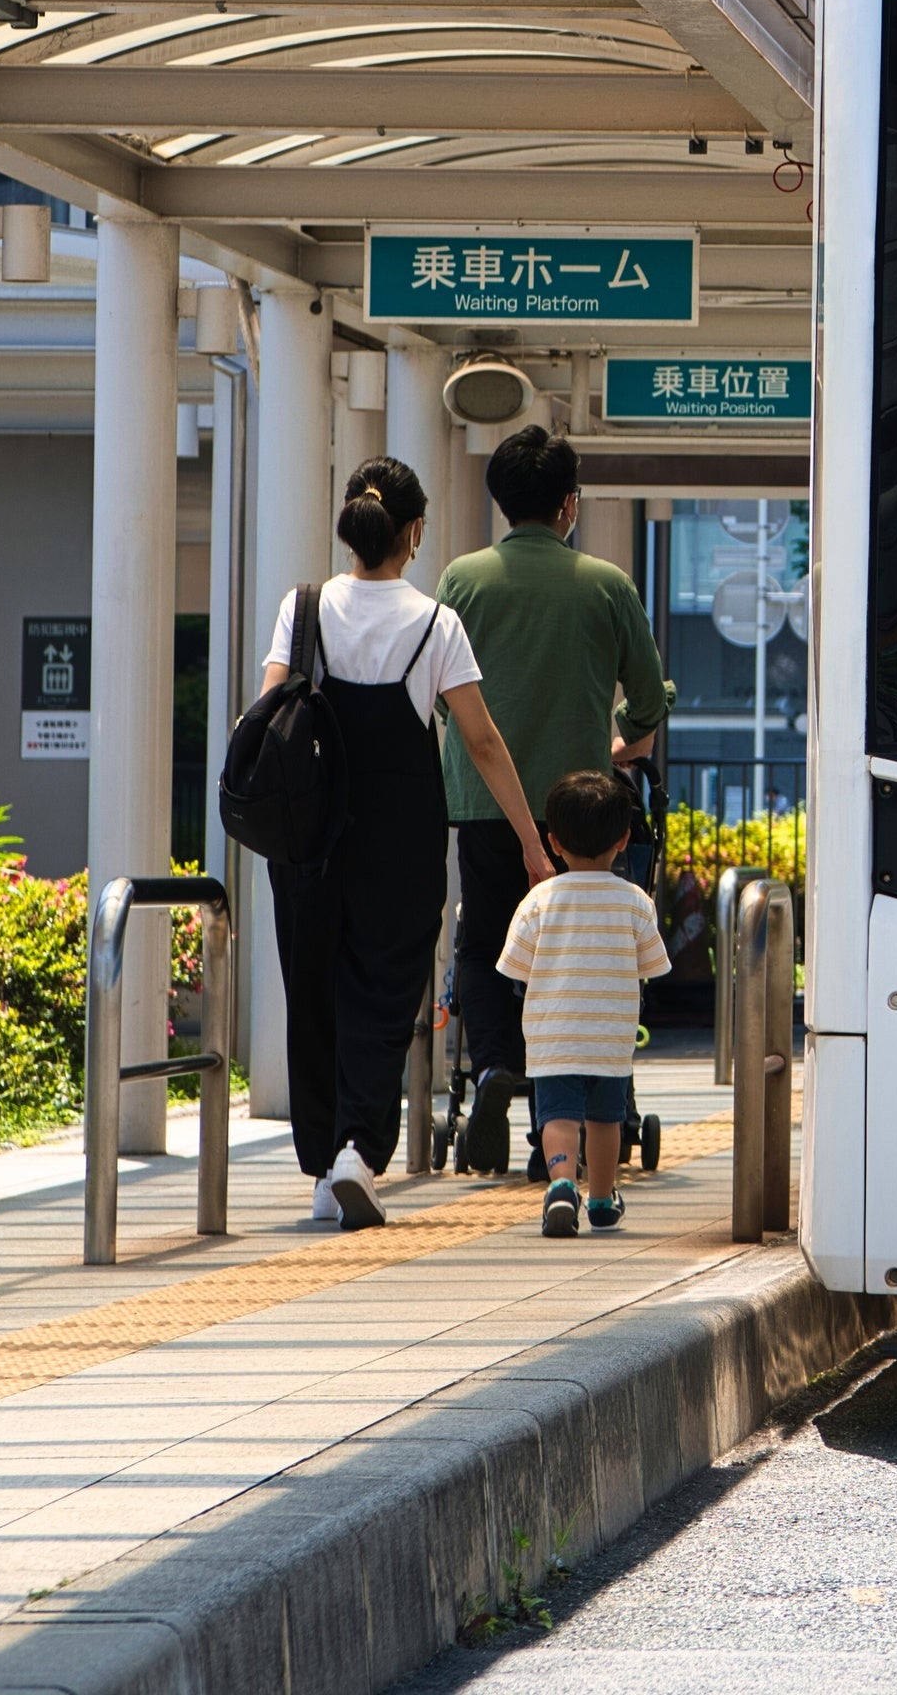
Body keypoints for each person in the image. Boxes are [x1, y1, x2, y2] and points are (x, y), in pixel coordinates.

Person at [261, 457, 543, 1229]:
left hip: (310, 841)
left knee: (313, 990)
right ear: (413, 532)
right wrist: (530, 842)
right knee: (384, 996)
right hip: (401, 841)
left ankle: (324, 1164)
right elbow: (481, 743)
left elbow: (268, 710)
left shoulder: (304, 607)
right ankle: (357, 1149)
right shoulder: (434, 622)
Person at [436, 425, 674, 1168]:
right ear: (569, 504)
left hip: (482, 803)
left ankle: (498, 1061)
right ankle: (558, 1131)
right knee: (576, 964)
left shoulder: (462, 580)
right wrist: (620, 741)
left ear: (500, 500)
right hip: (582, 812)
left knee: (483, 944)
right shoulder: (606, 584)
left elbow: (445, 697)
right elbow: (647, 700)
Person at [495, 769, 670, 1235]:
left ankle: (560, 1185)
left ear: (553, 842)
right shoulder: (635, 902)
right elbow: (653, 965)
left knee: (558, 1117)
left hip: (553, 1036)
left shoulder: (538, 901)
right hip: (610, 1038)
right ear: (624, 839)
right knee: (606, 1120)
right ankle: (600, 1199)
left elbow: (514, 968)